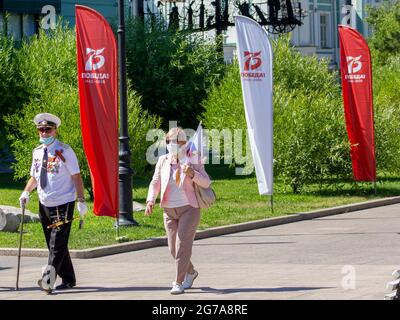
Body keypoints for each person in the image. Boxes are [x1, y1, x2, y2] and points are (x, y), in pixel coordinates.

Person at [19, 113, 88, 294]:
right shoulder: (37, 152)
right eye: (41, 130)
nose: (44, 133)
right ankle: (69, 278)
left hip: (63, 203)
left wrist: (81, 200)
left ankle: (48, 280)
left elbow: (76, 176)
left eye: (47, 130)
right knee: (56, 242)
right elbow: (34, 176)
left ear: (55, 131)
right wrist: (26, 191)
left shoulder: (65, 151)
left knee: (55, 244)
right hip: (45, 203)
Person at [145, 127, 211, 294]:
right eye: (168, 141)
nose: (171, 145)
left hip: (189, 208)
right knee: (173, 248)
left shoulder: (192, 159)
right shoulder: (163, 160)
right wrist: (150, 200)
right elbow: (155, 182)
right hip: (168, 210)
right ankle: (191, 272)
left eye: (175, 142)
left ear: (184, 144)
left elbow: (206, 182)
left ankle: (178, 282)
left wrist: (192, 173)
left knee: (182, 245)